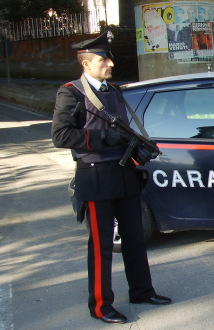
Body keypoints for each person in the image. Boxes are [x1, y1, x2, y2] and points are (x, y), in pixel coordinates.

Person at [51, 31, 171, 324]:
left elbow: (126, 131)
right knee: (102, 246)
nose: (110, 64)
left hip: (125, 174)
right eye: (104, 59)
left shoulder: (114, 91)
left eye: (109, 58)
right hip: (96, 177)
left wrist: (138, 150)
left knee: (134, 239)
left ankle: (142, 291)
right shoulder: (71, 92)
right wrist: (102, 136)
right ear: (87, 64)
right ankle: (101, 305)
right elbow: (61, 135)